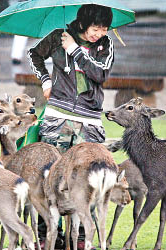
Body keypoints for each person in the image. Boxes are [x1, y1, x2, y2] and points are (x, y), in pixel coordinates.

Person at [27, 4, 114, 249]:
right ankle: (48, 237)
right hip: (57, 118)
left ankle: (83, 239)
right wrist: (45, 80)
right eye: (96, 28)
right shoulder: (58, 37)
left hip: (90, 122)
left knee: (88, 182)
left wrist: (75, 50)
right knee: (50, 177)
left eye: (105, 28)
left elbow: (100, 74)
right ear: (84, 23)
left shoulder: (105, 45)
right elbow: (33, 54)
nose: (100, 33)